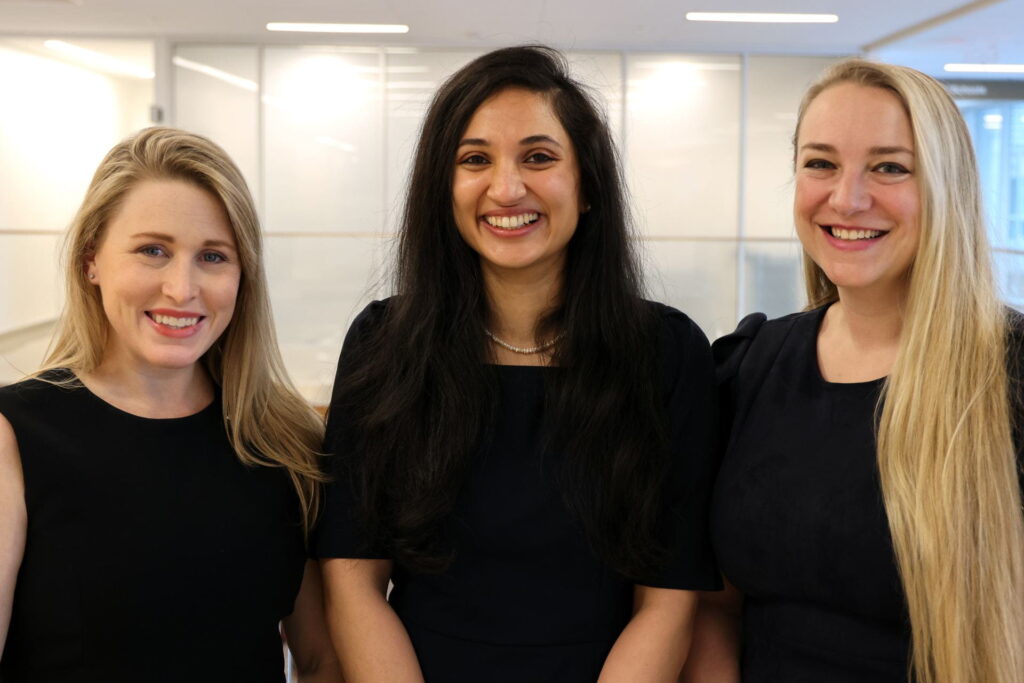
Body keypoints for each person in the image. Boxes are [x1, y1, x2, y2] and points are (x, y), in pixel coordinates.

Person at [315, 45, 720, 682]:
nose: (506, 188)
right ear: (442, 191)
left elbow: (668, 599)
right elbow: (352, 577)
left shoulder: (666, 353)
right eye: (475, 160)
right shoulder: (383, 343)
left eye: (538, 157)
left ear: (587, 187)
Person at [683, 59, 1024, 682]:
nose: (847, 197)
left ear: (946, 186)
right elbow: (716, 606)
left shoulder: (1010, 373)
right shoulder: (753, 364)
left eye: (889, 167)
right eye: (820, 163)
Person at [0, 127, 342, 682]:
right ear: (92, 261)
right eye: (152, 251)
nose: (182, 289)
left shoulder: (284, 441)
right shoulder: (14, 436)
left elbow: (323, 659)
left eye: (213, 256)